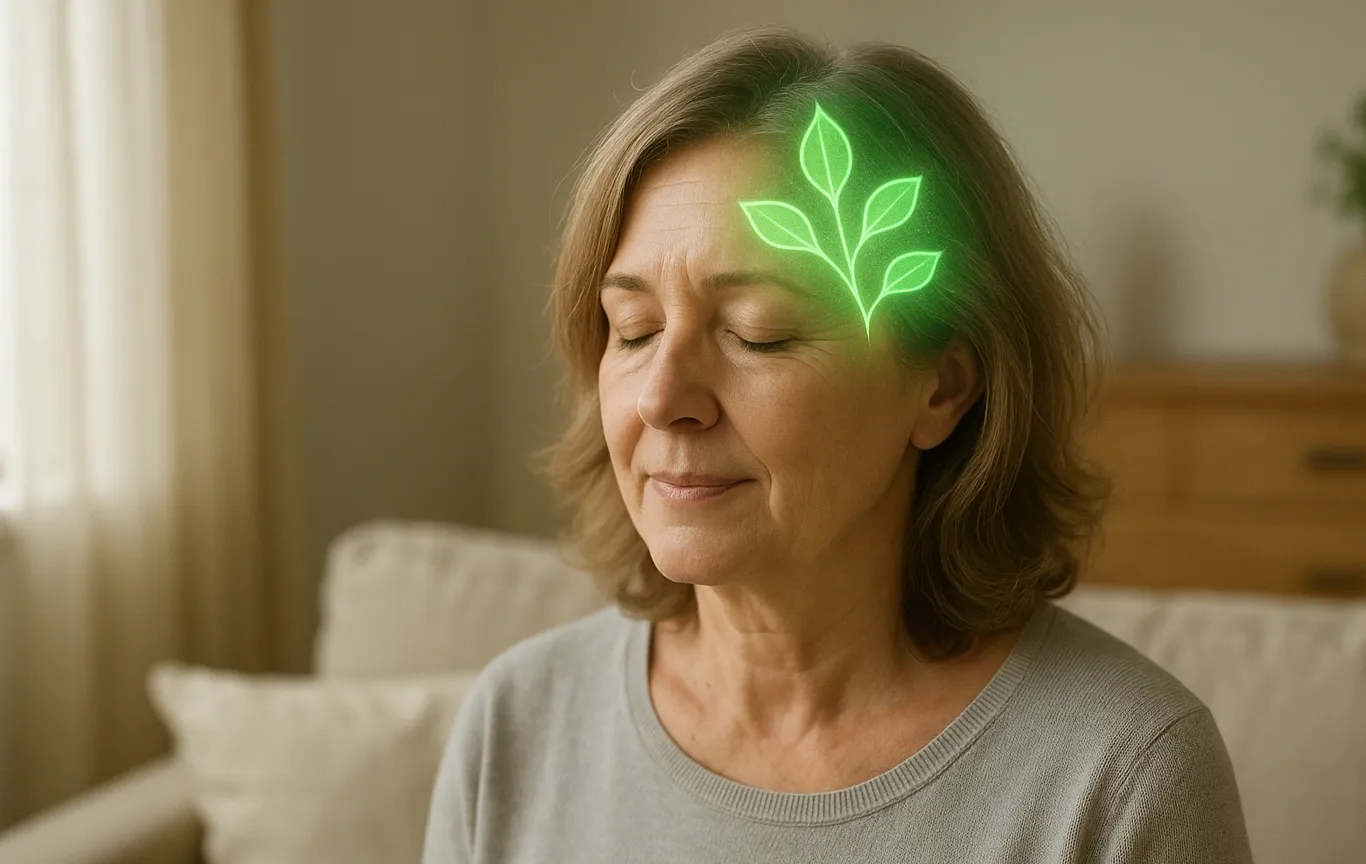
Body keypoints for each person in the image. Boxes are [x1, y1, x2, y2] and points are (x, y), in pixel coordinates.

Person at [424, 26, 1251, 864]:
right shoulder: (515, 730)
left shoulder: (1122, 774)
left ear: (942, 385)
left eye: (760, 332)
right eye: (633, 330)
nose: (661, 398)